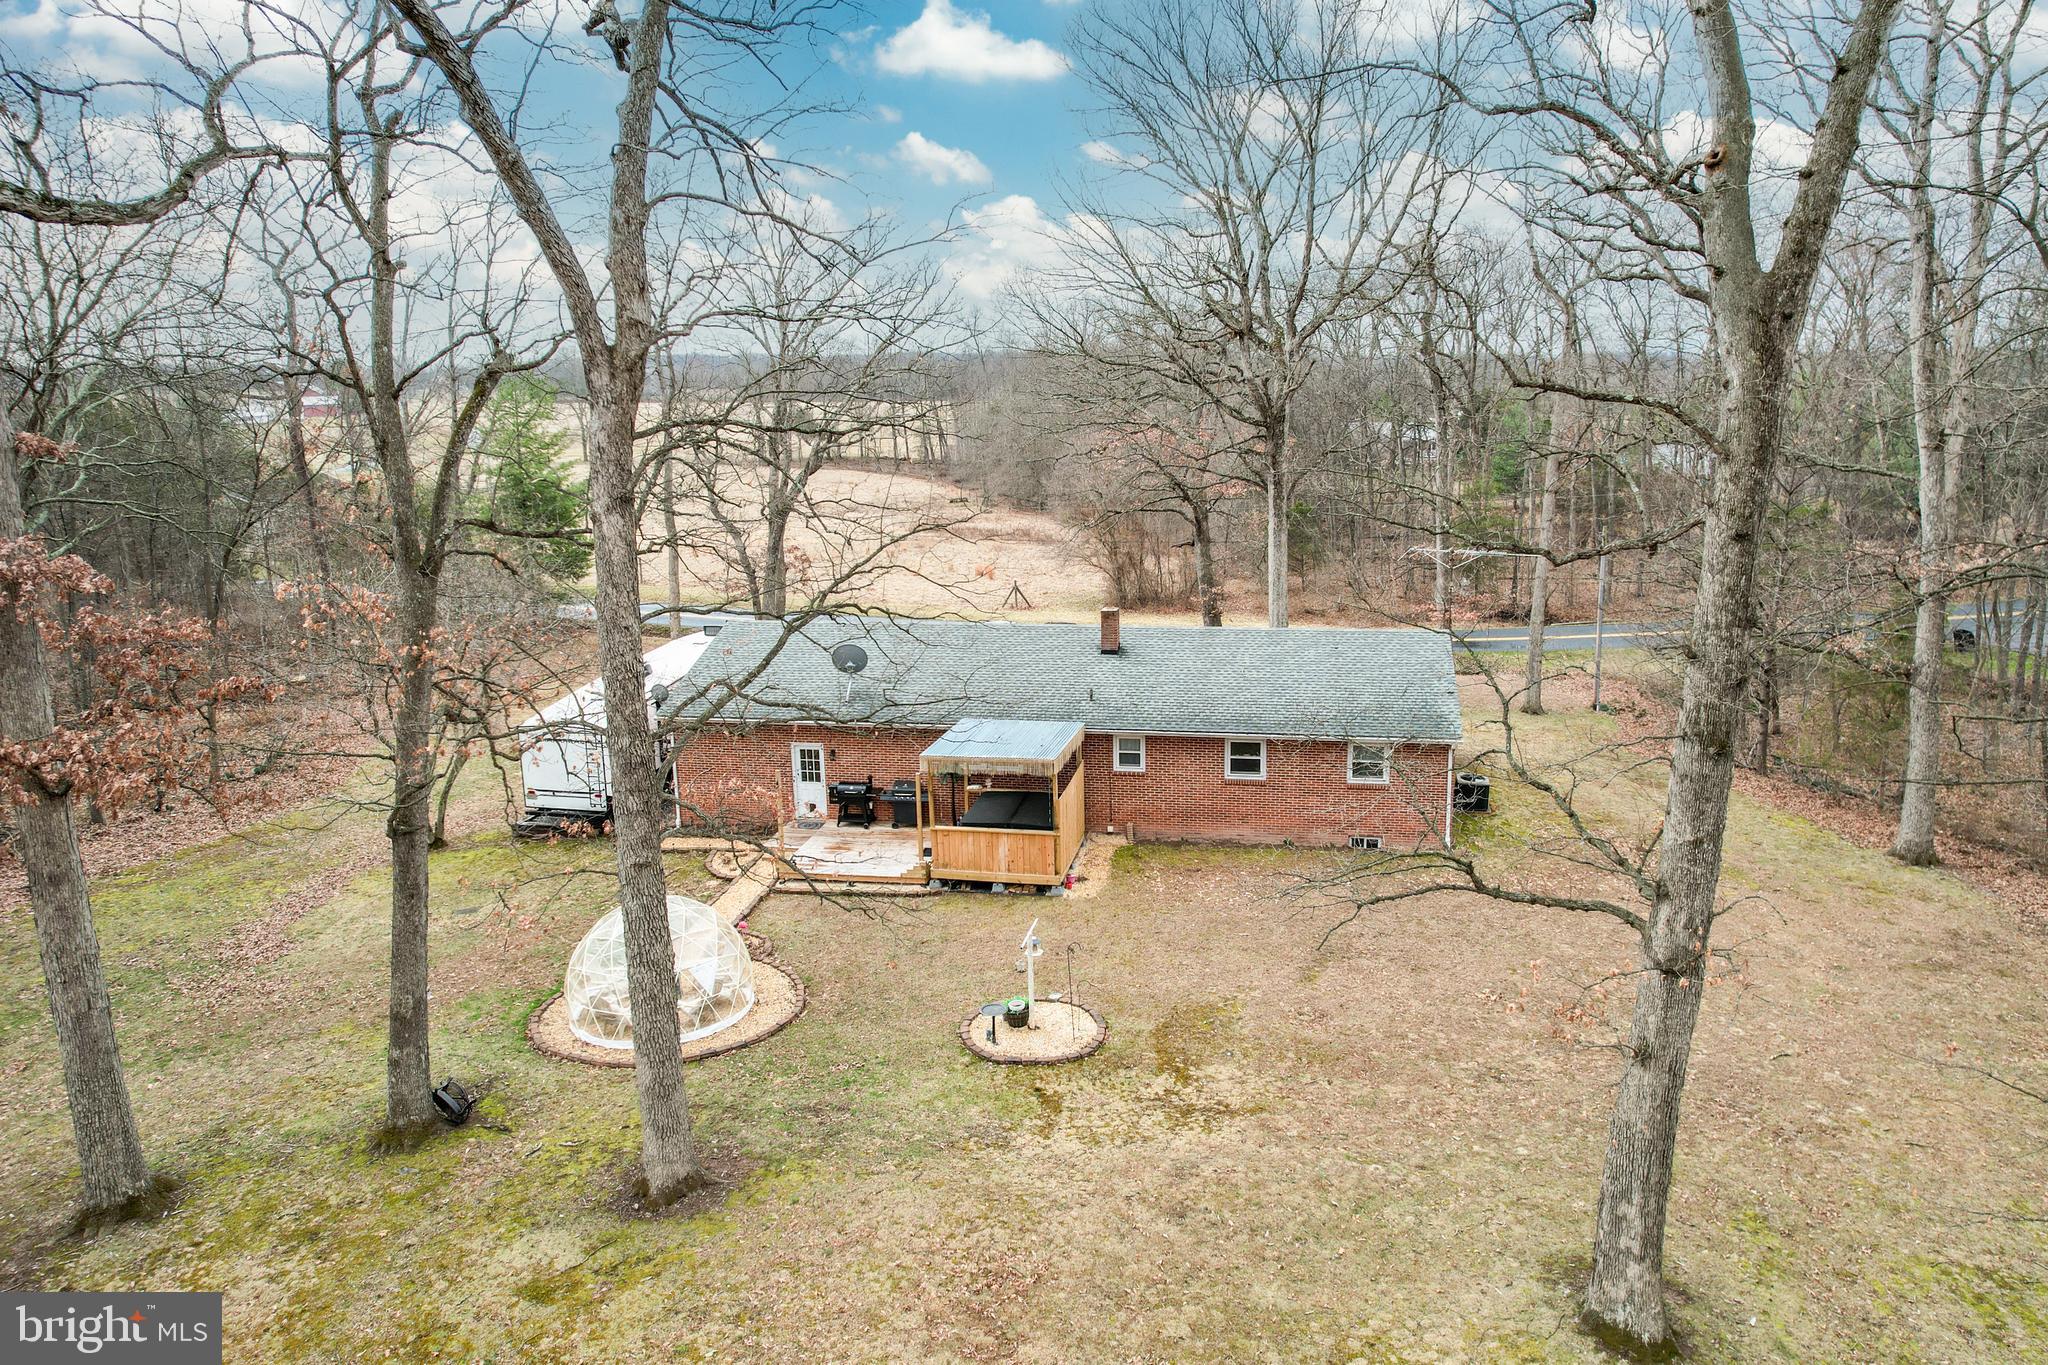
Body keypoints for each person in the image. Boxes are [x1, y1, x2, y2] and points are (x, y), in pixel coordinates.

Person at [582, 0, 631, 72]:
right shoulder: (603, 6)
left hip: (613, 27)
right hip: (610, 29)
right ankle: (623, 63)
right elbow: (593, 21)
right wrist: (588, 27)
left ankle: (623, 62)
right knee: (615, 37)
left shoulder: (609, 8)